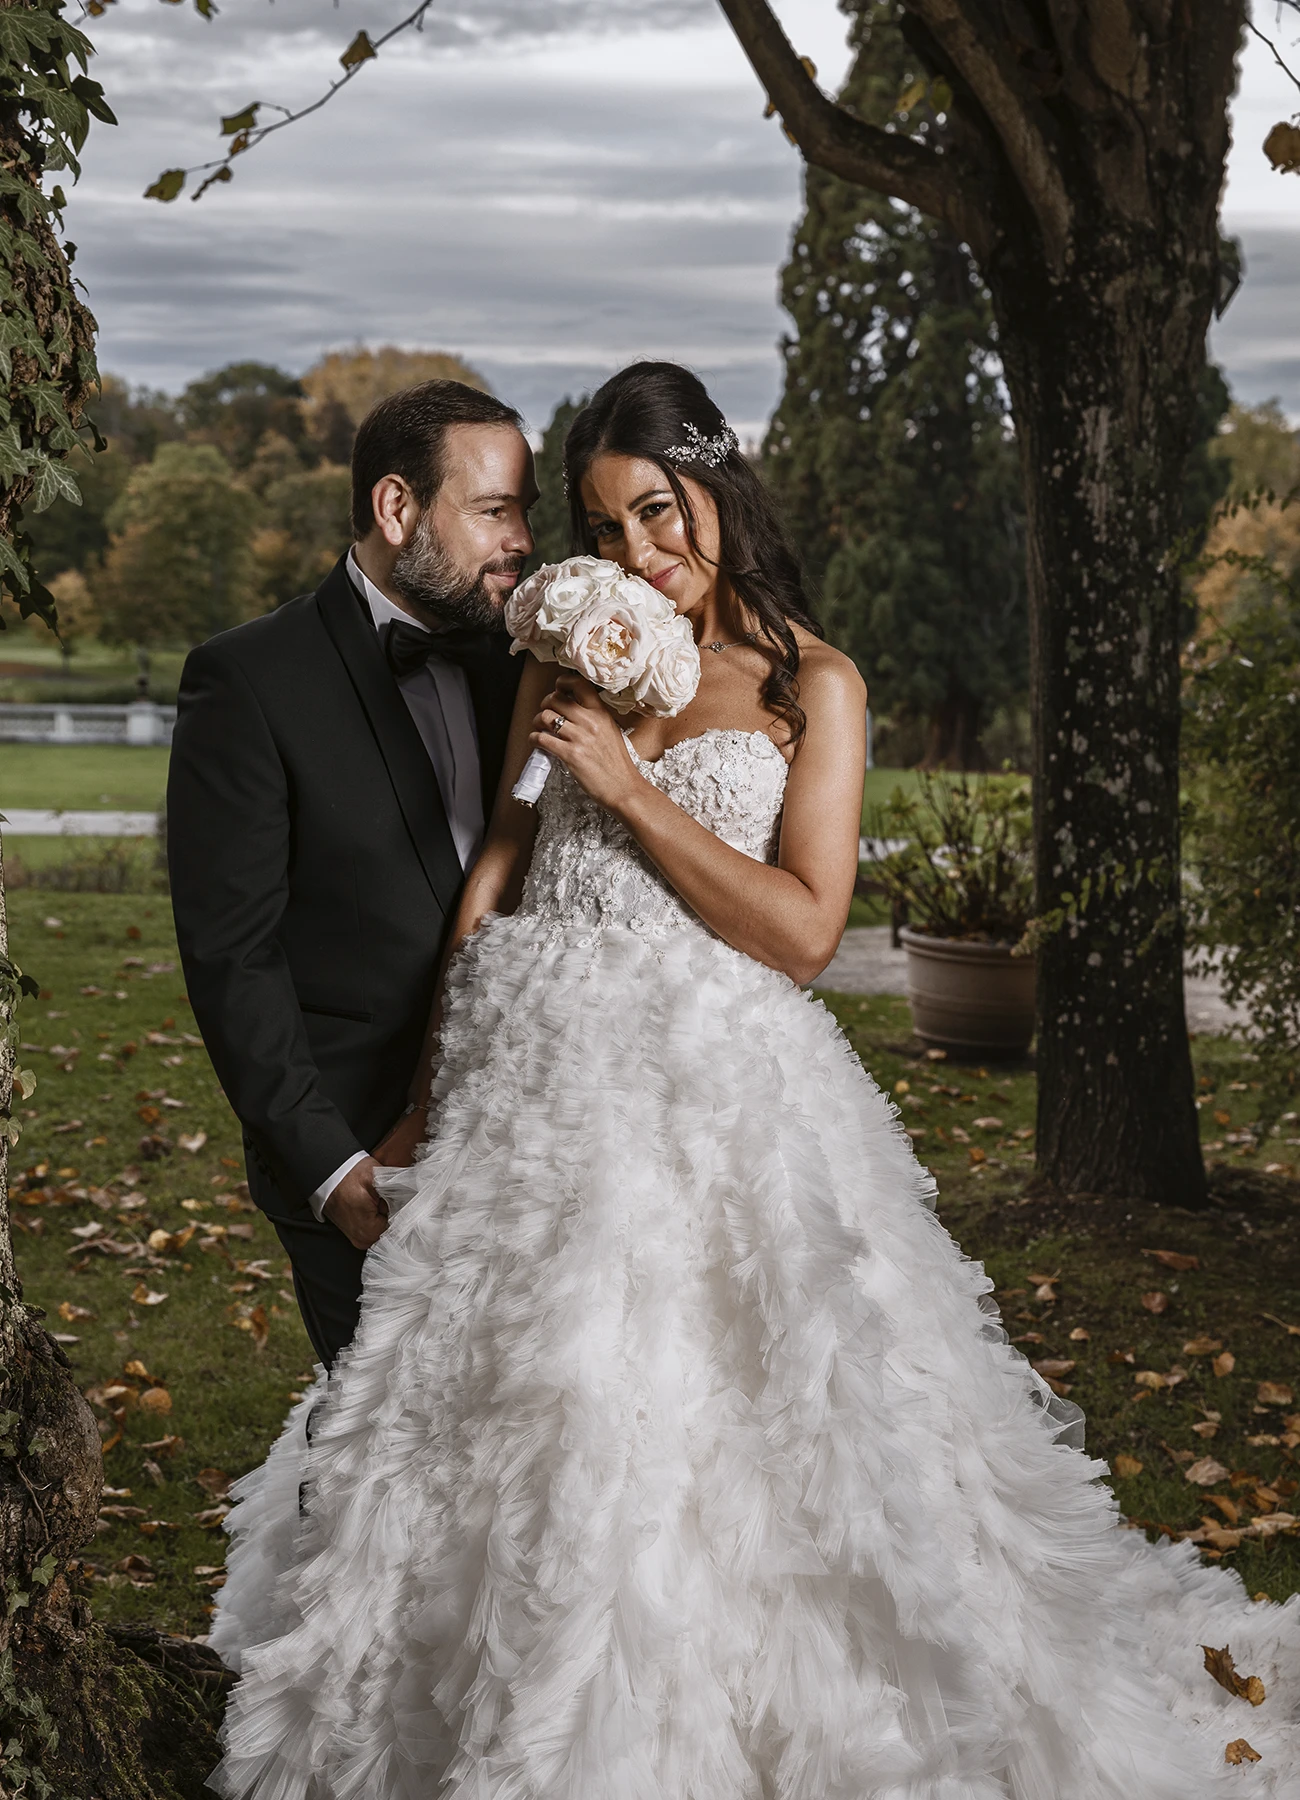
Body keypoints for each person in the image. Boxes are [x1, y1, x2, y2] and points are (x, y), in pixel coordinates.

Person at [206, 362, 1298, 1798]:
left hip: (707, 1100)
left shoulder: (815, 686)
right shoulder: (579, 647)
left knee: (708, 1419)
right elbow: (492, 881)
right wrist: (425, 1099)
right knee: (498, 1430)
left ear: (714, 486)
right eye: (603, 529)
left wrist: (634, 789)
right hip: (528, 1097)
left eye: (658, 513)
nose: (639, 556)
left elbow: (802, 930)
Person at [167, 379, 535, 1368]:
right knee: (385, 1452)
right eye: (495, 508)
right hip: (361, 1154)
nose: (523, 537)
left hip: (534, 1128)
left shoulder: (526, 661)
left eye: (525, 508)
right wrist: (332, 1171)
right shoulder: (248, 681)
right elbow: (230, 954)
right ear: (395, 507)